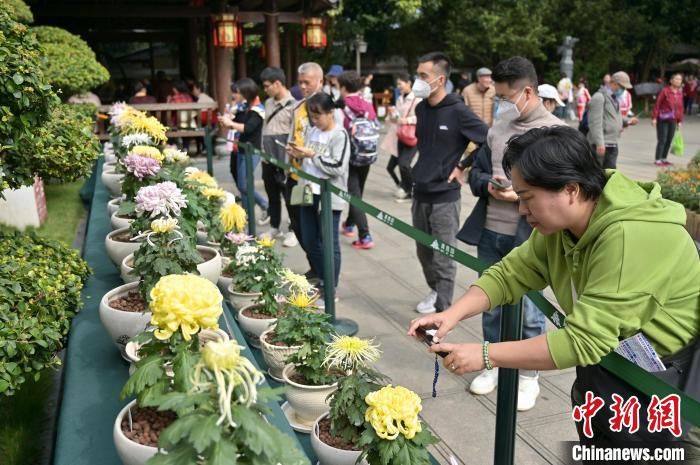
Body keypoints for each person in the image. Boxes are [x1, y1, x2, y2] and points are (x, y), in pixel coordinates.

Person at [410, 125, 700, 458]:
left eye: (527, 197)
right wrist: (451, 314)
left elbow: (581, 340)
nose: (521, 209)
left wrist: (486, 354)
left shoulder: (629, 237)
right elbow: (512, 272)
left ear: (571, 190)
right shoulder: (563, 225)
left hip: (671, 392)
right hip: (613, 375)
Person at [457, 56, 561, 411]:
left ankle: (528, 376)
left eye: (504, 96)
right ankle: (492, 362)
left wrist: (520, 193)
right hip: (491, 228)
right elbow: (476, 174)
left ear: (528, 91)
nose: (499, 102)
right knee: (489, 301)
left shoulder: (555, 132)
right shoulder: (497, 129)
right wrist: (490, 187)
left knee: (531, 307)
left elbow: (562, 188)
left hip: (530, 233)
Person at [411, 51, 488, 315]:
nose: (418, 81)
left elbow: (488, 140)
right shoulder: (421, 109)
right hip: (420, 190)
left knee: (444, 256)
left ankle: (444, 310)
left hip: (445, 195)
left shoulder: (458, 111)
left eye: (423, 76)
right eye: (418, 74)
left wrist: (462, 166)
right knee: (423, 252)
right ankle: (434, 290)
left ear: (440, 79)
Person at [287, 92, 350, 301]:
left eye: (318, 116)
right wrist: (297, 154)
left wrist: (312, 155)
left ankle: (330, 288)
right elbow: (307, 161)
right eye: (312, 117)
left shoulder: (339, 135)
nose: (315, 121)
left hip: (328, 195)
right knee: (308, 237)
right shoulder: (312, 131)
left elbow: (338, 167)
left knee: (329, 242)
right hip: (306, 189)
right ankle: (322, 278)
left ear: (330, 112)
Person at [337, 70, 378, 250]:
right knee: (358, 191)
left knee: (355, 197)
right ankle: (349, 224)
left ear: (343, 87)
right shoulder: (367, 103)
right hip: (367, 155)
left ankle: (365, 235)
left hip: (350, 157)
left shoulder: (340, 105)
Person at [220, 78, 269, 224]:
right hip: (240, 149)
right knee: (242, 182)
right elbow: (236, 124)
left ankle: (265, 205)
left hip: (251, 151)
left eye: (237, 92)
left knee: (244, 185)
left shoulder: (257, 110)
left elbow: (247, 128)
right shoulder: (244, 107)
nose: (235, 94)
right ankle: (247, 214)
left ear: (246, 93)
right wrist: (228, 121)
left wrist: (231, 123)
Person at [260, 66, 298, 247]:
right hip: (267, 158)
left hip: (284, 160)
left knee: (289, 197)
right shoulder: (268, 103)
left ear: (277, 83)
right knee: (272, 195)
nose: (265, 89)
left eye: (267, 86)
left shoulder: (295, 105)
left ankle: (294, 230)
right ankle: (274, 226)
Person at [586, 71, 639, 169]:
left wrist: (628, 121)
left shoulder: (613, 98)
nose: (624, 90)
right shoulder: (599, 97)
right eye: (622, 87)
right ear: (613, 83)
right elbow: (595, 123)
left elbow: (615, 116)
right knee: (597, 174)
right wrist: (599, 143)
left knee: (611, 174)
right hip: (601, 144)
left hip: (612, 142)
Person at [385, 72, 421, 202]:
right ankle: (406, 189)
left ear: (408, 83)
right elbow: (398, 117)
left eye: (400, 84)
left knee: (404, 164)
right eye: (398, 84)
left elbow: (420, 117)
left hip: (413, 136)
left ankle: (413, 190)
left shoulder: (417, 99)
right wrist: (392, 115)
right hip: (400, 135)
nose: (399, 86)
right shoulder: (400, 98)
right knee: (399, 165)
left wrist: (407, 120)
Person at [652, 73, 684, 167]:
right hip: (663, 119)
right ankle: (658, 159)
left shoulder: (679, 93)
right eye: (676, 79)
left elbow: (680, 108)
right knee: (662, 139)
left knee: (669, 139)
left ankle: (664, 158)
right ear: (671, 80)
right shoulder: (665, 91)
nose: (678, 81)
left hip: (673, 119)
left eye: (680, 79)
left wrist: (680, 120)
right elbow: (657, 104)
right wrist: (654, 118)